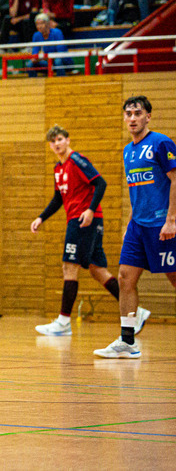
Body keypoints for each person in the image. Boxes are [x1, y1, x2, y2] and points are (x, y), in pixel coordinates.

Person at [30, 126, 138, 336]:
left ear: (68, 140)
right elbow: (57, 199)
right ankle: (136, 311)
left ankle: (63, 322)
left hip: (83, 220)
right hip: (81, 220)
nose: (57, 144)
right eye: (52, 142)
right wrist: (41, 217)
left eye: (60, 139)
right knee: (98, 270)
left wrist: (89, 210)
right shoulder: (58, 169)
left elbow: (101, 183)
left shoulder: (77, 161)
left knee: (69, 267)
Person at [95, 96, 176, 359]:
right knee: (125, 278)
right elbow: (136, 189)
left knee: (174, 277)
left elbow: (175, 180)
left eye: (137, 113)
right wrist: (131, 220)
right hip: (138, 226)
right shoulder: (128, 151)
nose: (132, 118)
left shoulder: (161, 143)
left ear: (148, 117)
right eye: (128, 113)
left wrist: (171, 220)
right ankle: (128, 341)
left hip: (162, 224)